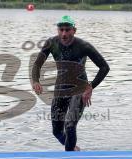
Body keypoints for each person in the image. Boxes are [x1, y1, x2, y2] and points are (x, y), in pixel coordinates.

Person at [31, 15, 110, 151]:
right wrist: (36, 81)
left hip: (80, 89)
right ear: (57, 30)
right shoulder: (51, 43)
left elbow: (104, 67)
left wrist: (90, 87)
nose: (64, 34)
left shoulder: (83, 46)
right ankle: (73, 149)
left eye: (67, 30)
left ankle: (69, 153)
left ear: (74, 30)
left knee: (70, 125)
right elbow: (37, 64)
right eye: (61, 30)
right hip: (60, 89)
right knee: (56, 131)